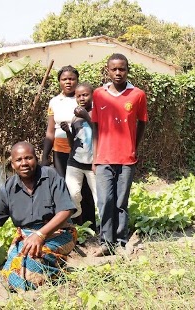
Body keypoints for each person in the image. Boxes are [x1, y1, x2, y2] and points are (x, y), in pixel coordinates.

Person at [0, 141, 77, 291]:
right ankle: (50, 274)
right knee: (11, 271)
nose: (24, 163)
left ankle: (59, 276)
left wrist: (41, 234)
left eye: (28, 158)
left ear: (36, 158)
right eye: (19, 160)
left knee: (30, 264)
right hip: (27, 238)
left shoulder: (51, 176)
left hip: (59, 233)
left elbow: (66, 210)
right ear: (13, 164)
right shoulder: (8, 189)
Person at [91, 53, 148, 256]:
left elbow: (142, 122)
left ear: (127, 70)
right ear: (107, 70)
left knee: (121, 202)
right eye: (114, 69)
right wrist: (95, 156)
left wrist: (134, 146)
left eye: (121, 69)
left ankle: (122, 240)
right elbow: (96, 127)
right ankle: (106, 242)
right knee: (105, 200)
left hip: (126, 158)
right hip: (103, 158)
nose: (118, 72)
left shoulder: (138, 95)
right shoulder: (98, 94)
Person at [41, 65, 95, 228]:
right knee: (67, 189)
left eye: (72, 79)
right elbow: (50, 131)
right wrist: (44, 156)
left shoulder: (83, 98)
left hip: (84, 151)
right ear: (59, 82)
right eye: (64, 79)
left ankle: (90, 225)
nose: (68, 82)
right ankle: (72, 227)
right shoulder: (55, 102)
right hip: (60, 152)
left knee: (86, 190)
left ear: (77, 80)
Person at [60, 82, 97, 222]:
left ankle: (103, 230)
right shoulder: (75, 117)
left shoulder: (98, 113)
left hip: (94, 163)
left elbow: (102, 133)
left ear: (92, 96)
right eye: (78, 96)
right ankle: (77, 226)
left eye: (85, 95)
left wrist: (86, 116)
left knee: (99, 197)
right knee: (73, 194)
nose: (82, 98)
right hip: (75, 162)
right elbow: (73, 144)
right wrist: (68, 132)